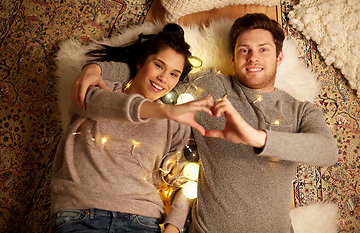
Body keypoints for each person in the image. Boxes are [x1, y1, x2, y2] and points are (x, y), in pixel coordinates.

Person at [71, 14, 339, 232]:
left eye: (263, 50)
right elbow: (158, 74)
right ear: (233, 58)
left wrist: (256, 138)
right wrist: (98, 69)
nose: (253, 57)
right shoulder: (210, 87)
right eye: (244, 50)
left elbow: (327, 151)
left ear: (278, 57)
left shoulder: (301, 110)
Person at [51, 23, 214, 233]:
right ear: (140, 62)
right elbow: (118, 106)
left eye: (174, 74)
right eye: (159, 65)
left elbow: (182, 179)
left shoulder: (175, 123)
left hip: (142, 221)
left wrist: (173, 227)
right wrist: (165, 111)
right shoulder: (99, 88)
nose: (163, 78)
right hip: (79, 214)